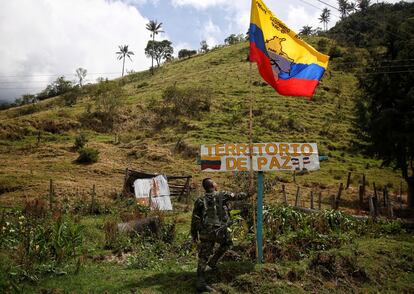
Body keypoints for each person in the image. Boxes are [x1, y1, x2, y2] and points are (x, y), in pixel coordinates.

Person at [191, 178, 248, 292]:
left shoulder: (199, 200)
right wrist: (250, 192)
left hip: (205, 232)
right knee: (227, 243)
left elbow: (195, 218)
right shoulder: (223, 195)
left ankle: (200, 281)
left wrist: (195, 234)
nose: (217, 183)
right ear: (212, 184)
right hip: (220, 230)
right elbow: (238, 196)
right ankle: (213, 261)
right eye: (215, 182)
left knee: (203, 256)